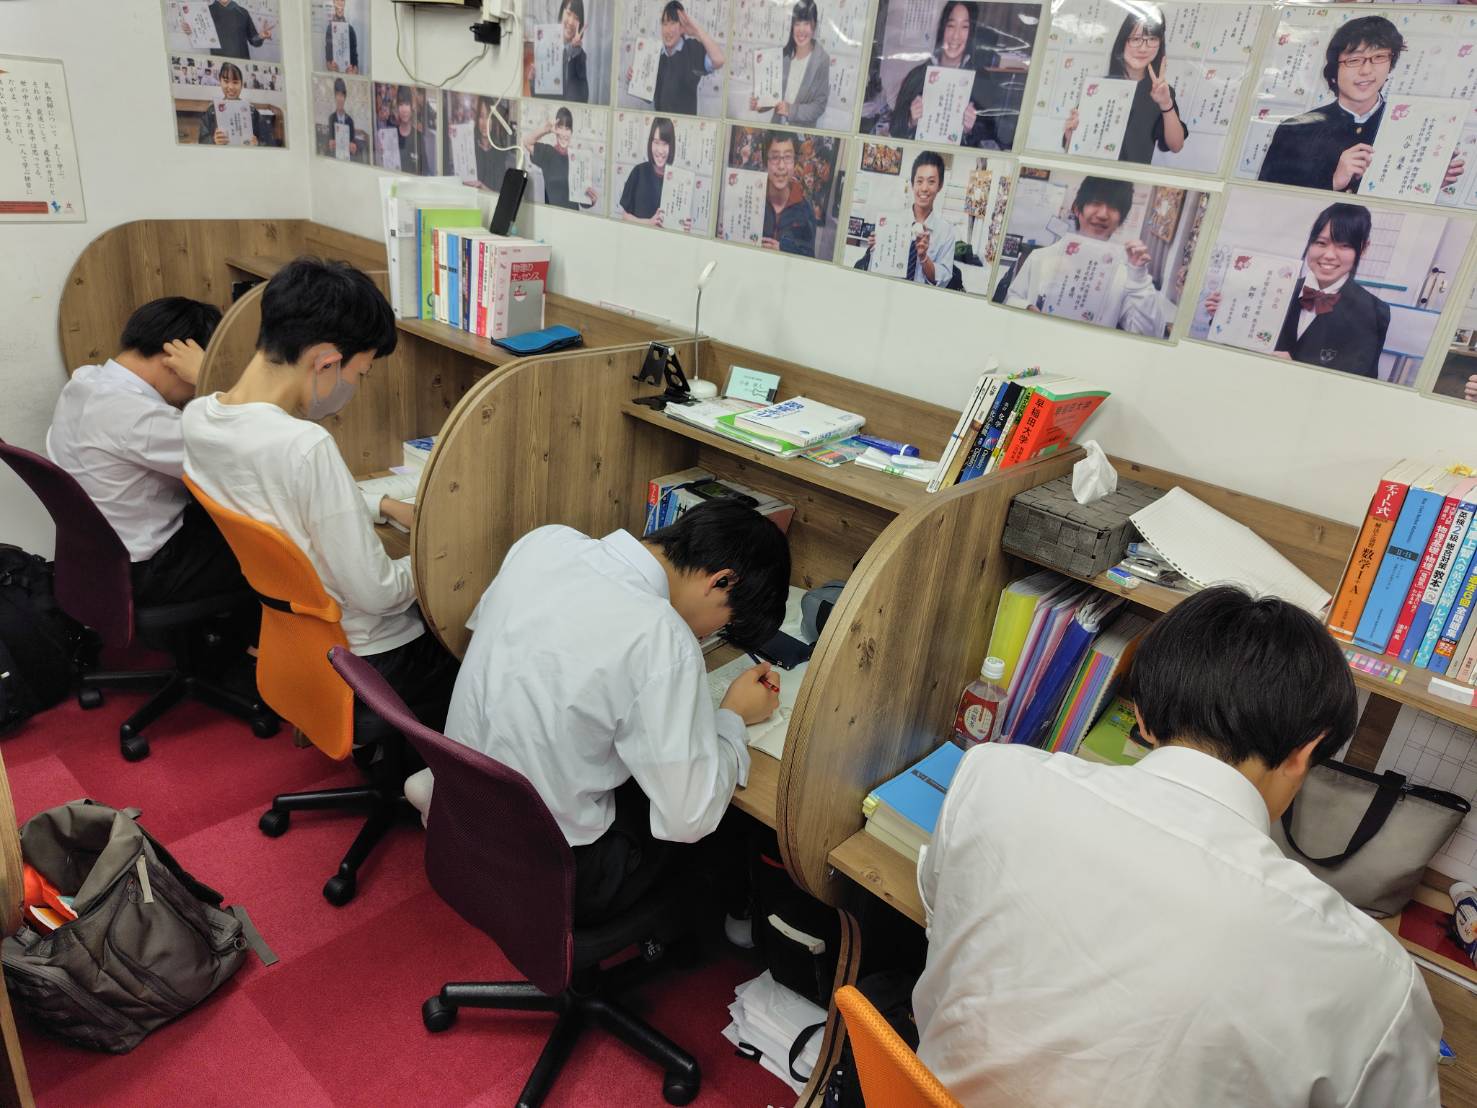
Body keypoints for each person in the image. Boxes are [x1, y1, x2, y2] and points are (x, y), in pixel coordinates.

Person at [915, 586, 1441, 1106]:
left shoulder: (993, 776)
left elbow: (944, 930)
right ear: (1306, 753)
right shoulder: (1375, 978)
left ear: (1141, 715)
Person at [402, 500, 791, 924]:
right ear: (721, 581)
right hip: (552, 867)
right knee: (724, 826)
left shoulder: (545, 542)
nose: (712, 633)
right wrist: (732, 717)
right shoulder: (663, 636)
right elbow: (689, 819)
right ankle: (737, 928)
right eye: (724, 624)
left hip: (464, 805)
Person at [180, 258, 458, 724]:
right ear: (326, 362)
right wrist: (439, 558)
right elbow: (379, 595)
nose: (355, 387)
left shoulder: (200, 419)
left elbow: (280, 498)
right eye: (360, 374)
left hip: (297, 639)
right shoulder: (305, 446)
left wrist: (382, 504)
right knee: (472, 646)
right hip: (370, 658)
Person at [47, 297, 254, 612]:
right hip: (147, 570)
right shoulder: (141, 418)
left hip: (95, 559)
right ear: (174, 357)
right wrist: (209, 379)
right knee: (275, 549)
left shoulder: (84, 381)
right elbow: (244, 455)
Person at [1259, 16, 1464, 194]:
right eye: (1354, 60)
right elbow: (1264, 198)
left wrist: (1426, 185)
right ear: (1334, 69)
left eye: (1379, 57)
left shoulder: (1412, 127)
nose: (1366, 70)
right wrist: (1333, 182)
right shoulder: (1295, 130)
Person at [1207, 202, 1388, 379]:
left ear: (1363, 248)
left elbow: (1360, 384)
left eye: (1344, 246)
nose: (1329, 255)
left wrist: (1297, 370)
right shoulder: (1274, 288)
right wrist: (1225, 313)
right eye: (1321, 243)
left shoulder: (1374, 312)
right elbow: (1235, 348)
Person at [1002, 175, 1166, 336]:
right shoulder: (1040, 257)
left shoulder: (1125, 276)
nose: (1103, 214)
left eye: (1113, 207)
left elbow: (1147, 334)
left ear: (1121, 219)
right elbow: (1012, 298)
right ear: (1077, 208)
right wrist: (1027, 308)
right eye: (1095, 202)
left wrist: (1139, 279)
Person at [1062, 7, 1187, 164]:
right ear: (1123, 41)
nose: (1143, 48)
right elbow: (1074, 150)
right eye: (1135, 39)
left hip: (1134, 179)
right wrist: (1070, 136)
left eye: (1152, 39)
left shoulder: (1162, 93)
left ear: (1160, 44)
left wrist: (1166, 103)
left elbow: (1176, 146)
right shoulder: (1099, 88)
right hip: (1095, 177)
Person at [887, 1, 1004, 149]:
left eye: (964, 27)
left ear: (971, 33)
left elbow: (993, 137)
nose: (955, 36)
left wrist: (970, 130)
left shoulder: (982, 81)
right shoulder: (917, 76)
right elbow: (895, 130)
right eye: (951, 25)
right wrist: (911, 120)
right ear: (942, 28)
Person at [855, 150, 958, 286]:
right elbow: (876, 270)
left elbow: (943, 280)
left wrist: (924, 258)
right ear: (912, 184)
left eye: (931, 182)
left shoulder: (946, 232)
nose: (924, 188)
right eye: (919, 181)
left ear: (940, 185)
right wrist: (876, 249)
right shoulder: (891, 222)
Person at [627, 0, 726, 116]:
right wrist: (635, 79)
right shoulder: (655, 54)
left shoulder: (693, 49)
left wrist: (696, 32)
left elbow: (719, 60)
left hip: (686, 124)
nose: (668, 30)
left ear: (682, 27)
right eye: (664, 23)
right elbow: (649, 96)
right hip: (661, 124)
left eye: (673, 23)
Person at [749, 0, 831, 127]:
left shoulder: (822, 60)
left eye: (806, 23)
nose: (801, 30)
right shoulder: (783, 56)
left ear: (814, 25)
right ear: (792, 26)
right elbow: (774, 97)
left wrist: (791, 110)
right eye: (797, 24)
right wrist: (760, 104)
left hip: (800, 132)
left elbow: (819, 106)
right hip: (776, 127)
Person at [619, 116, 692, 230]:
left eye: (665, 143)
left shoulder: (679, 180)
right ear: (650, 143)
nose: (660, 150)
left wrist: (684, 228)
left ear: (671, 146)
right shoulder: (638, 172)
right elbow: (624, 216)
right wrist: (649, 222)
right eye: (656, 142)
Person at [523, 107, 600, 210]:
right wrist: (546, 130)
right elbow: (527, 142)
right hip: (552, 216)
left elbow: (583, 203)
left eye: (567, 129)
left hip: (573, 216)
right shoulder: (547, 153)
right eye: (560, 128)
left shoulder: (578, 159)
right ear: (555, 129)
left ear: (571, 132)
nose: (563, 134)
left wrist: (591, 200)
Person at [758, 130, 816, 255]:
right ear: (765, 162)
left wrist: (784, 250)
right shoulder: (752, 198)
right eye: (774, 157)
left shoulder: (805, 210)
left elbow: (810, 257)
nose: (781, 166)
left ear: (795, 163)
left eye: (788, 157)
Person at [197, 62, 276, 147]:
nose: (231, 87)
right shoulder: (212, 110)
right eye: (226, 81)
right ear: (220, 81)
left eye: (235, 82)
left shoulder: (252, 111)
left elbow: (269, 141)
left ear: (241, 84)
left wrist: (257, 144)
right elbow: (202, 140)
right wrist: (213, 140)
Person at [528, 0, 591, 102]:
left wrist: (574, 50)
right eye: (569, 14)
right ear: (562, 13)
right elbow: (539, 98)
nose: (571, 22)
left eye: (576, 18)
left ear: (580, 24)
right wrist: (533, 82)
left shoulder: (579, 54)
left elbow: (581, 97)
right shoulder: (546, 47)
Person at [198, 0, 273, 60]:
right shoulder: (206, 11)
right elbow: (200, 37)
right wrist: (192, 32)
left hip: (242, 61)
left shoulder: (243, 12)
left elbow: (254, 40)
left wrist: (261, 36)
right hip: (219, 62)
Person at [388, 86, 433, 174]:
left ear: (412, 107)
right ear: (397, 107)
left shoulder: (418, 137)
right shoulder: (392, 136)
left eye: (407, 104)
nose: (404, 110)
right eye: (401, 104)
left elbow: (425, 170)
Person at [324, 76, 359, 160]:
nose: (340, 99)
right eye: (337, 95)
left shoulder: (350, 121)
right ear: (334, 97)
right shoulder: (331, 118)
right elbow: (326, 147)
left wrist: (354, 148)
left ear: (345, 98)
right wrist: (329, 145)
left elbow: (354, 146)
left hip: (346, 160)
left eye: (342, 95)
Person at [323, 0, 360, 73]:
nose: (340, 2)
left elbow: (355, 62)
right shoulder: (330, 29)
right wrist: (331, 67)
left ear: (345, 2)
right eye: (337, 0)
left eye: (342, 0)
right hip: (335, 75)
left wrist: (353, 70)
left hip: (348, 74)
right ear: (334, 2)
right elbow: (328, 61)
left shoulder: (350, 30)